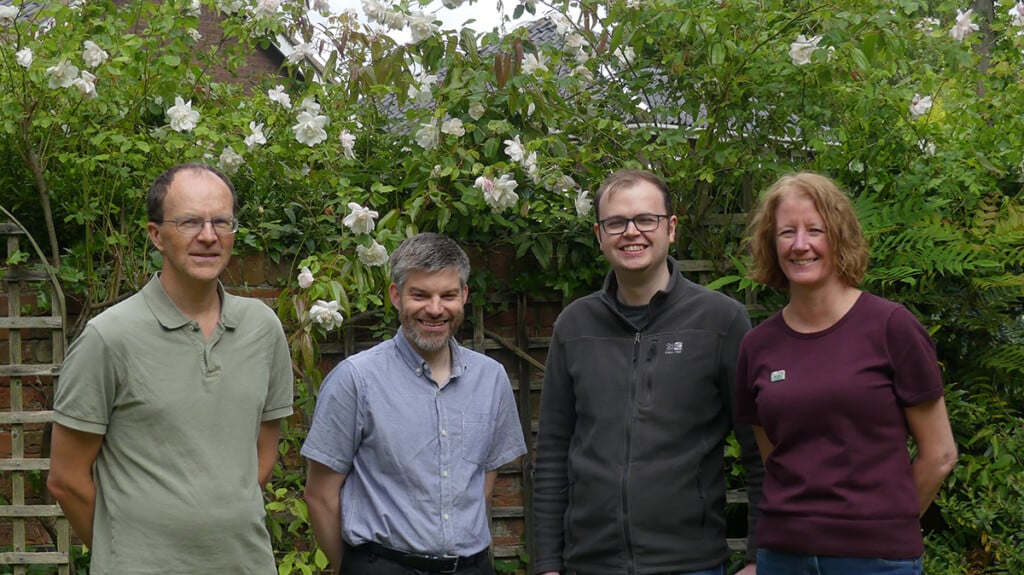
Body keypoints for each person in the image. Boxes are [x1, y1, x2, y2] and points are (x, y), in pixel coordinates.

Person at [46, 163, 294, 574]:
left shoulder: (262, 328)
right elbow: (66, 479)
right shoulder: (109, 338)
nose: (209, 236)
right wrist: (128, 555)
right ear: (156, 235)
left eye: (221, 222)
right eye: (190, 222)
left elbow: (261, 456)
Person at [533, 169, 764, 575]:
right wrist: (547, 563)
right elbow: (552, 451)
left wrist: (759, 557)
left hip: (690, 564)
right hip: (592, 565)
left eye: (645, 219)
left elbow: (758, 450)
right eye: (616, 223)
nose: (631, 232)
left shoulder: (721, 321)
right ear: (599, 234)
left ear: (670, 228)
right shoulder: (574, 325)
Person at [735, 172, 958, 575]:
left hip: (876, 560)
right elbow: (774, 459)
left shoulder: (891, 328)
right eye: (786, 232)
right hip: (782, 557)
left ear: (839, 236)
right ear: (770, 243)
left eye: (814, 230)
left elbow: (940, 454)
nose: (800, 244)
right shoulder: (757, 346)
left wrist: (887, 526)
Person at [301, 232, 528, 575]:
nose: (435, 309)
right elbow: (320, 495)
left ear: (464, 295)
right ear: (396, 296)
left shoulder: (491, 378)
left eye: (448, 295)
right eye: (420, 295)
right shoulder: (356, 379)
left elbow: (483, 482)